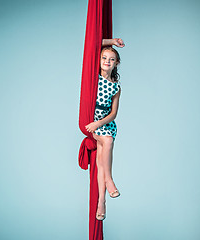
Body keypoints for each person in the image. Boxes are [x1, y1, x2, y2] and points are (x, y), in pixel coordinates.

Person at [85, 38, 125, 221]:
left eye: (111, 59)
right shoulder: (94, 78)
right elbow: (92, 44)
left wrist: (99, 124)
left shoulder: (116, 87)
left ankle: (102, 203)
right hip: (92, 121)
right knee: (107, 141)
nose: (107, 61)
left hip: (106, 123)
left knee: (101, 163)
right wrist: (112, 42)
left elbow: (113, 114)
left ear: (116, 63)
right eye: (104, 58)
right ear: (99, 60)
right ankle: (110, 180)